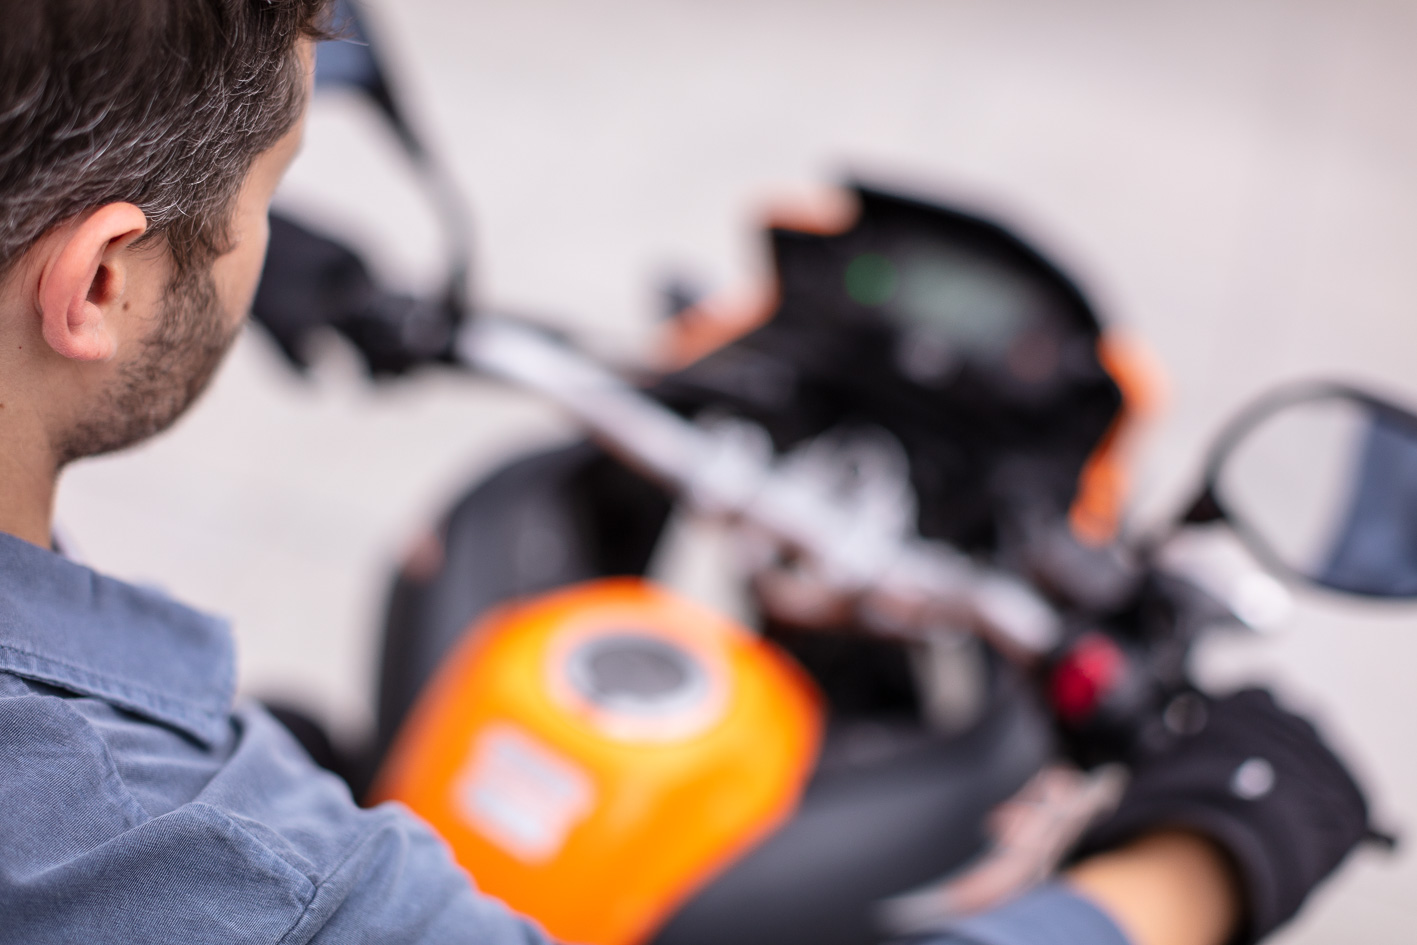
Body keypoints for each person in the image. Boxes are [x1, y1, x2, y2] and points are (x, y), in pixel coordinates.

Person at [0, 1, 1371, 943]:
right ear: (102, 279)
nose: (260, 234)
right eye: (265, 193)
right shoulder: (213, 867)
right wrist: (1195, 866)